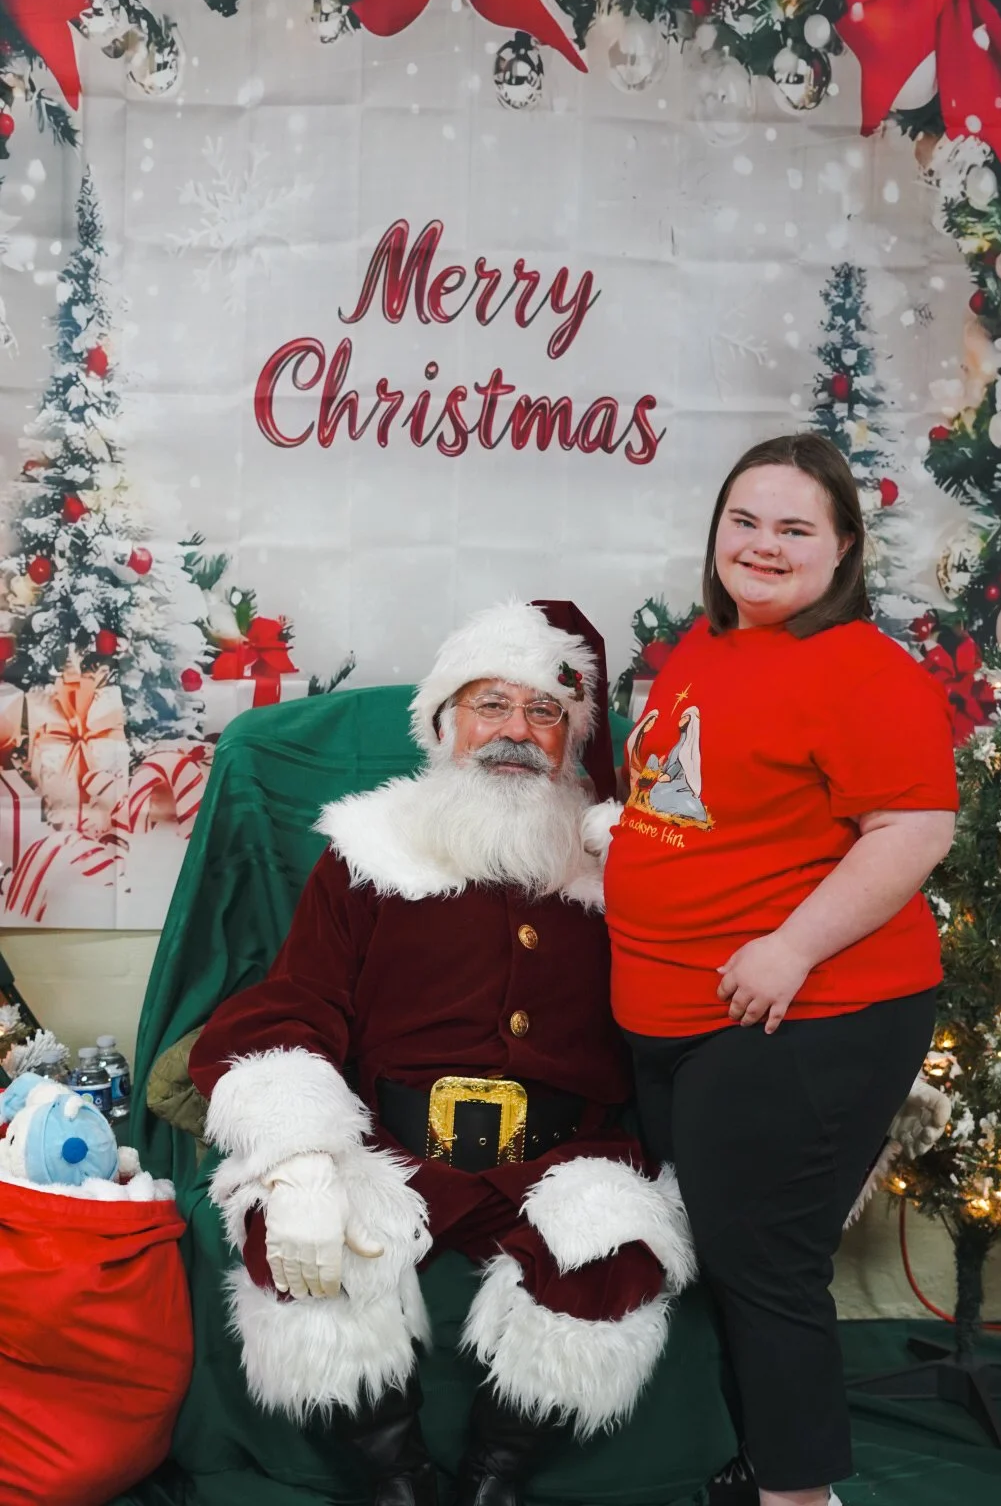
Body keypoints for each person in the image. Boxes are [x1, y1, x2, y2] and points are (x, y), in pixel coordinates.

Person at [187, 599, 695, 1506]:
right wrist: (300, 1154)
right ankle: (398, 1480)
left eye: (545, 712)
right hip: (398, 1146)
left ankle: (497, 1479)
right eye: (491, 704)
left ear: (572, 739)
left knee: (615, 1246)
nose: (516, 731)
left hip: (563, 1154)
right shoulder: (367, 855)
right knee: (295, 1240)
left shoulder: (619, 870)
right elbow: (297, 1003)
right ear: (443, 721)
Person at [601, 434, 959, 1506]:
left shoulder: (860, 669)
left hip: (809, 1011)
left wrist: (795, 944)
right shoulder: (712, 643)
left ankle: (800, 1495)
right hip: (683, 1012)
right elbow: (702, 797)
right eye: (744, 521)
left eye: (795, 527)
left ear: (841, 546)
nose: (763, 545)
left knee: (764, 1261)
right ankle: (755, 1461)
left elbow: (914, 828)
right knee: (721, 1249)